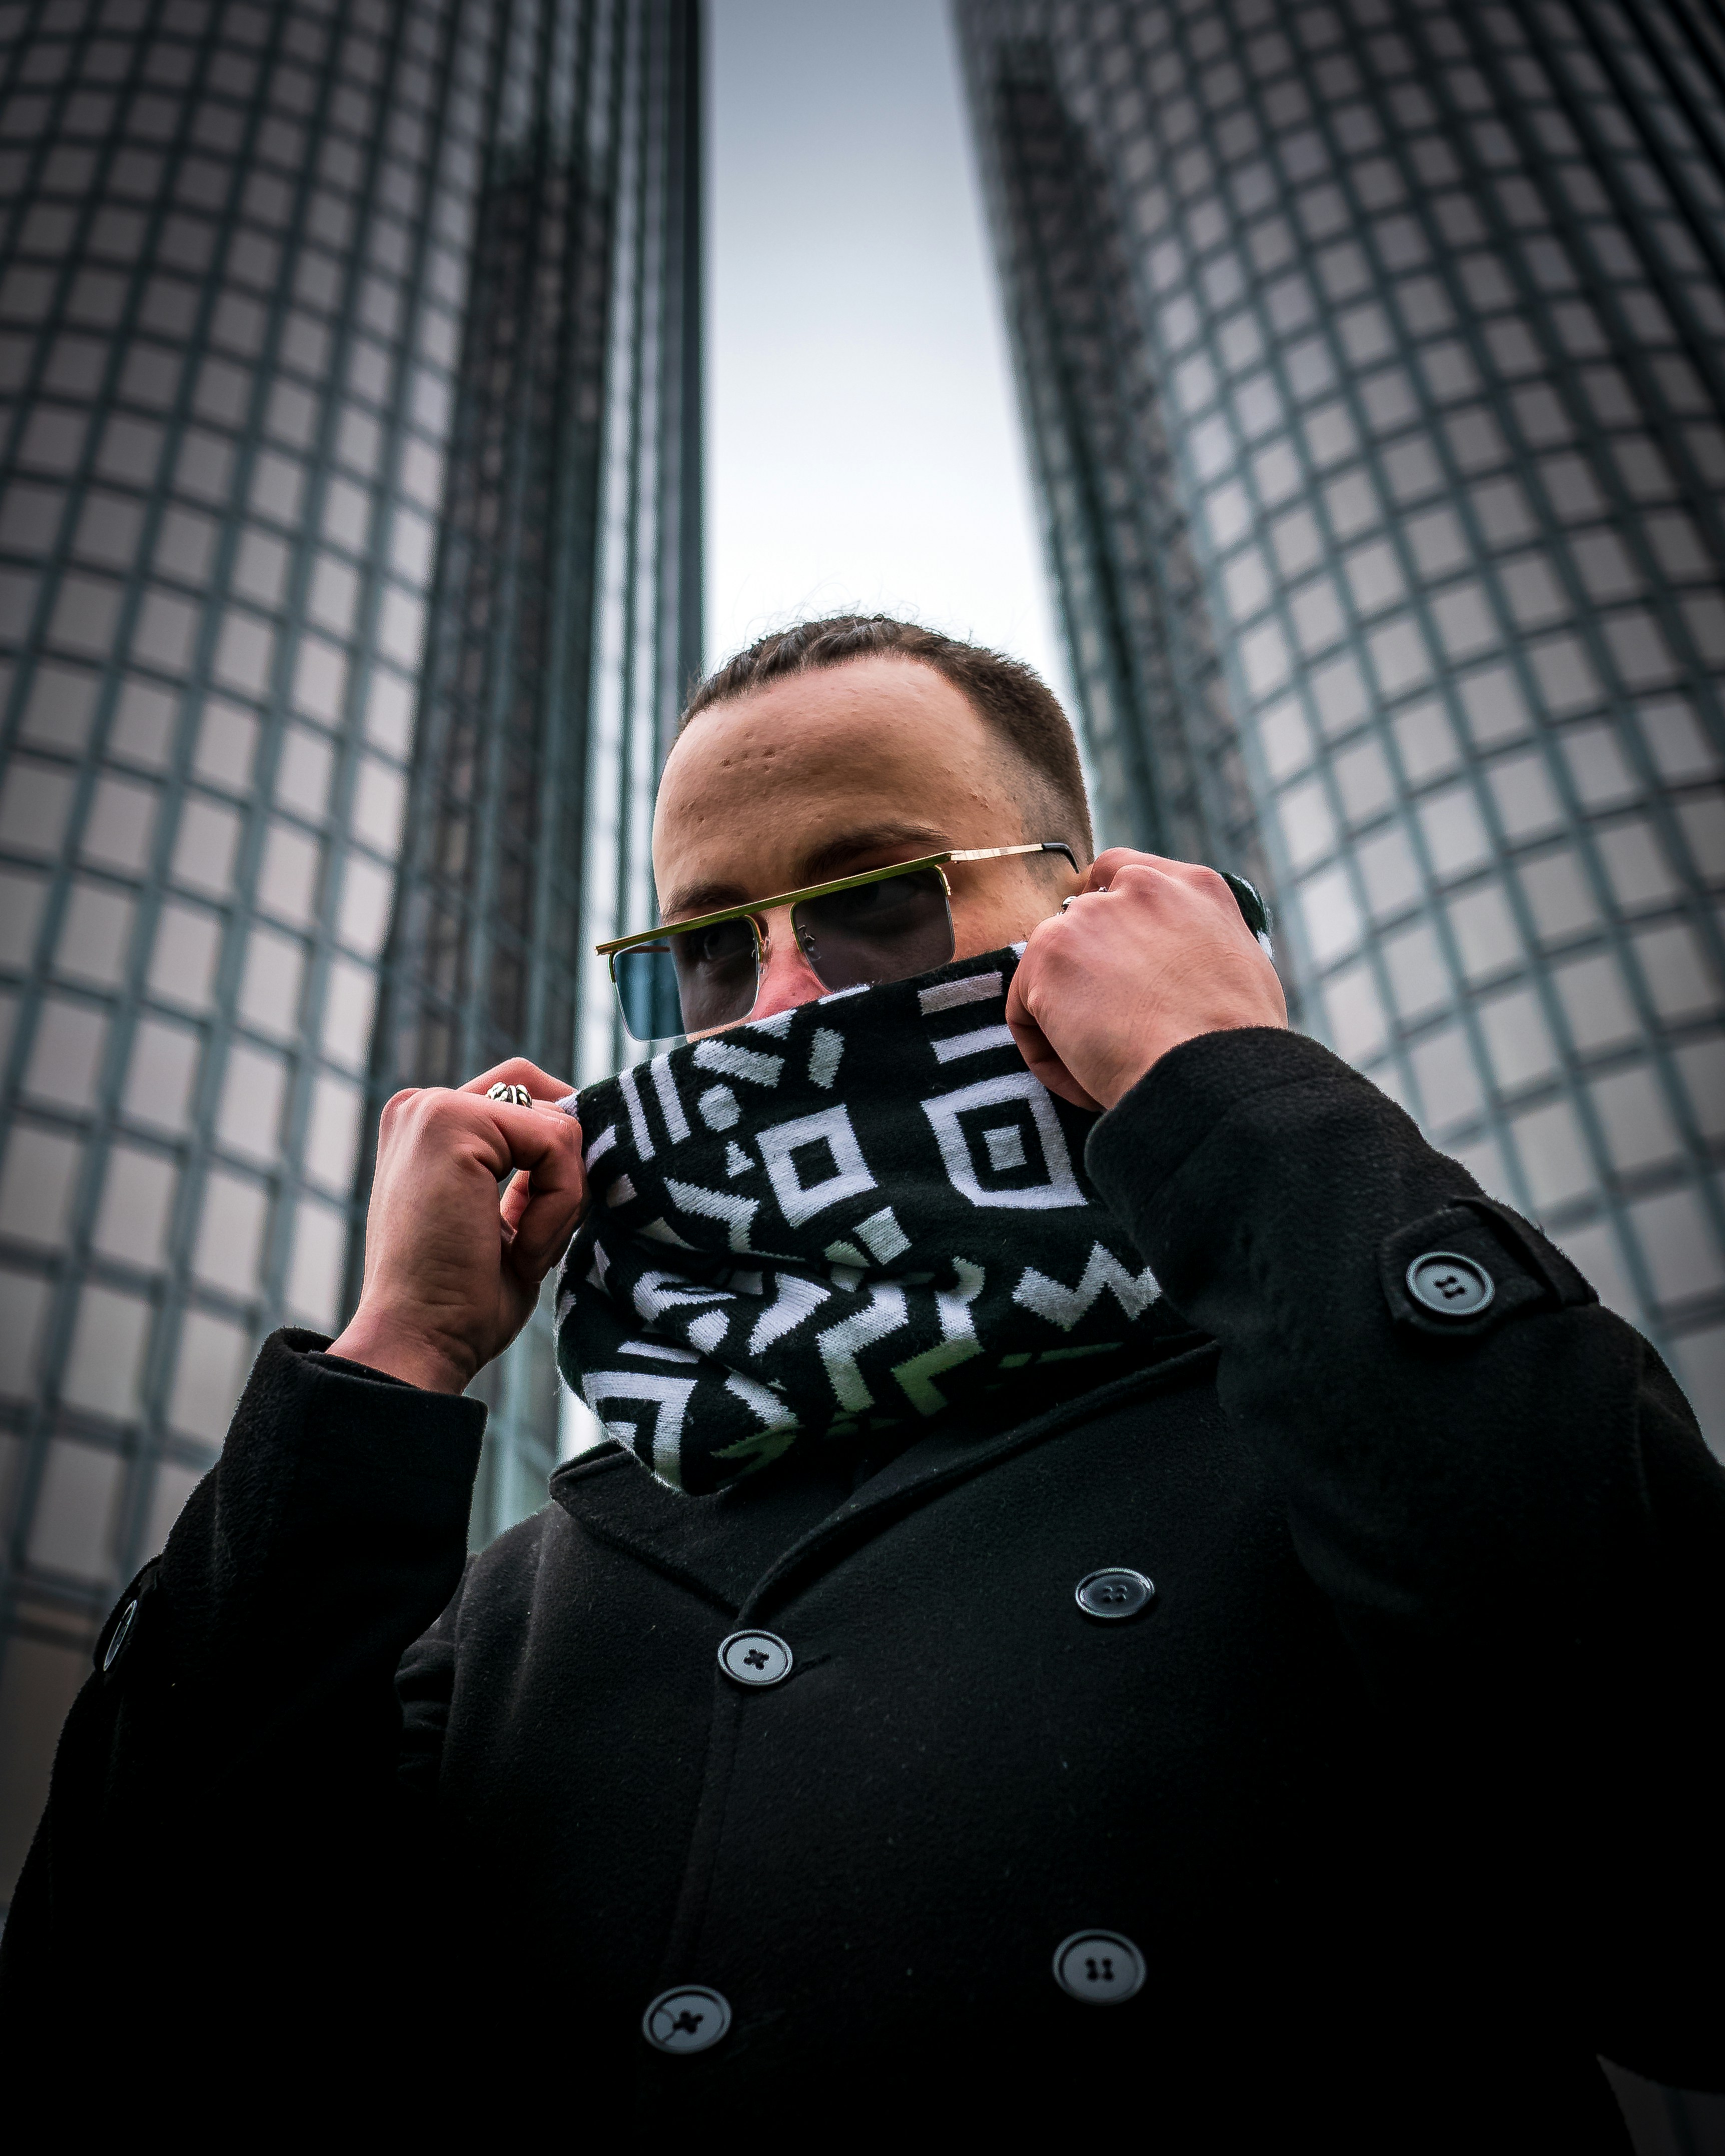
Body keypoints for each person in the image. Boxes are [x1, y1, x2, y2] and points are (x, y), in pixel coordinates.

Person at [3, 615, 1721, 2147]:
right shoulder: (530, 1600)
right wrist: (391, 1367)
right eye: (705, 948)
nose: (778, 1001)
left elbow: (1676, 1900)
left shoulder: (1331, 1402)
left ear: (1084, 918)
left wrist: (1232, 1088)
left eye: (879, 901)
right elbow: (125, 2049)